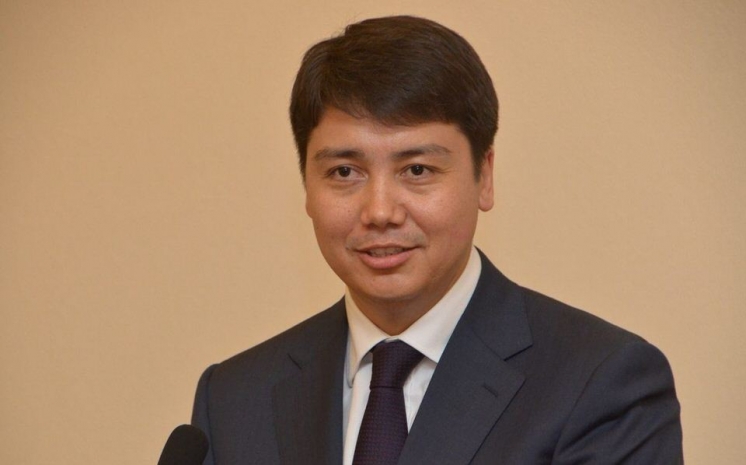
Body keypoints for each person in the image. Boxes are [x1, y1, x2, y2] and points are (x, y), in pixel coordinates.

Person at [191, 15, 683, 464]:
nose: (379, 212)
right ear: (306, 187)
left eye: (417, 170)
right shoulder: (234, 398)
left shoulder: (601, 383)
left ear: (484, 177)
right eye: (344, 172)